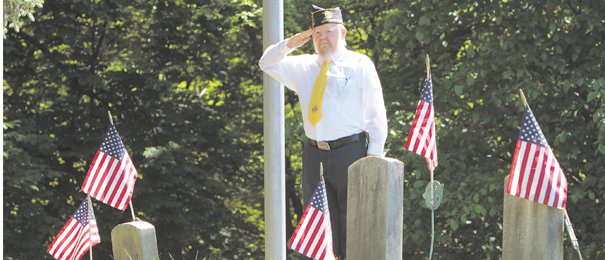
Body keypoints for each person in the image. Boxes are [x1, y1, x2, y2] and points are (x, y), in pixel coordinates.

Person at [259, 5, 387, 258]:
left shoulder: (359, 63)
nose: (323, 38)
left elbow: (375, 110)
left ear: (343, 32)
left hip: (351, 151)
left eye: (329, 31)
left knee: (352, 219)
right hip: (314, 153)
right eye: (317, 34)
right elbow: (267, 63)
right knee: (319, 221)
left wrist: (375, 153)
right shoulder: (304, 66)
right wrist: (292, 43)